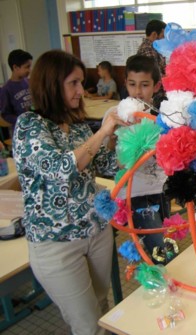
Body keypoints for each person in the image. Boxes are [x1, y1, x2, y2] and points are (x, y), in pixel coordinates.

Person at [12, 50, 126, 335]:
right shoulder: (29, 125)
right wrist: (102, 131)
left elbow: (105, 164)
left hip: (95, 232)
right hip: (56, 243)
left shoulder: (75, 127)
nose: (80, 91)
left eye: (81, 82)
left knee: (100, 307)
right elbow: (61, 168)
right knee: (87, 324)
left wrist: (121, 140)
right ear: (52, 84)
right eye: (73, 83)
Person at [103, 54, 173, 264]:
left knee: (164, 238)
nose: (138, 92)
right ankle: (161, 282)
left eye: (144, 85)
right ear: (125, 83)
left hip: (160, 188)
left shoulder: (161, 117)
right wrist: (116, 136)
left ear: (156, 86)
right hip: (136, 193)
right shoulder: (114, 114)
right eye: (132, 84)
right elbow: (110, 158)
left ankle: (161, 277)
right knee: (158, 249)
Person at [0, 49, 33, 131]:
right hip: (20, 131)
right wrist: (20, 119)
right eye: (27, 67)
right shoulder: (6, 89)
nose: (30, 70)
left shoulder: (28, 82)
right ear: (15, 67)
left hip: (33, 126)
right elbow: (5, 115)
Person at [137, 19, 167, 110]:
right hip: (154, 96)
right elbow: (156, 74)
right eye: (162, 36)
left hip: (158, 94)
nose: (164, 39)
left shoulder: (153, 48)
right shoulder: (148, 49)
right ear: (154, 34)